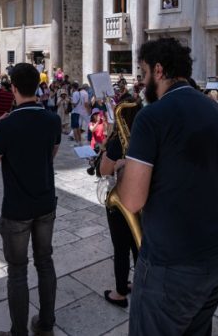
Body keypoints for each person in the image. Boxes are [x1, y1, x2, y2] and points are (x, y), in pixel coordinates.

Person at [117, 37, 218, 335]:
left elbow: (132, 200)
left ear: (158, 70)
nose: (143, 81)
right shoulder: (216, 109)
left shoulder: (151, 116)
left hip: (173, 264)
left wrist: (123, 170)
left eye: (144, 72)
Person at [0, 62, 61, 336]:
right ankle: (46, 325)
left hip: (17, 208)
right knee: (45, 262)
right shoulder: (52, 119)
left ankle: (18, 332)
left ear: (14, 88)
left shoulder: (6, 126)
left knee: (18, 271)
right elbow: (51, 154)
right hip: (45, 204)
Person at [98, 96, 140, 309]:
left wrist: (106, 149)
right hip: (141, 198)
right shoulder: (145, 136)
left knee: (121, 247)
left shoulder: (118, 140)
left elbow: (104, 170)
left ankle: (120, 292)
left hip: (120, 199)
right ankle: (140, 284)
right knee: (137, 246)